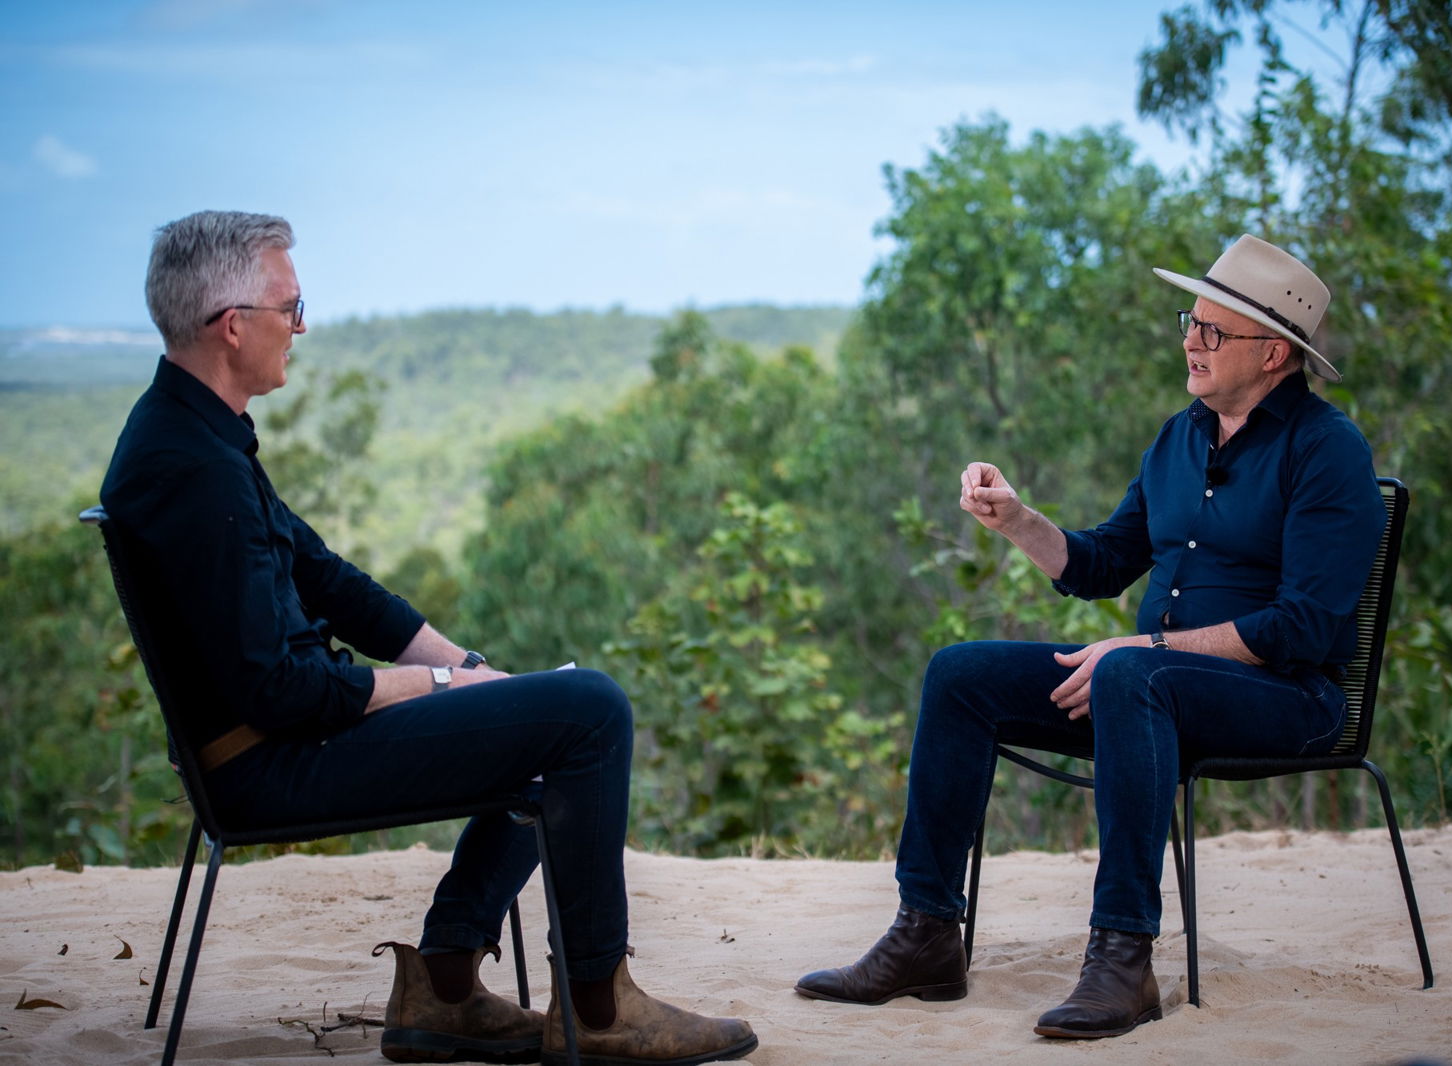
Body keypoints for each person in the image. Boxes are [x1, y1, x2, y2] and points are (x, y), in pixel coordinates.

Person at [101, 211, 757, 1066]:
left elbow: (329, 581)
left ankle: (445, 988)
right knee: (591, 709)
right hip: (270, 763)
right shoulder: (192, 469)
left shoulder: (196, 437)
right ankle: (597, 1007)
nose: (301, 329)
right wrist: (446, 692)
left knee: (553, 707)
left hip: (280, 739)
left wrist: (476, 671)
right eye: (291, 309)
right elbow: (284, 692)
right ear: (234, 327)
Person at [794, 234, 1385, 1040]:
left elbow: (1304, 627)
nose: (1189, 340)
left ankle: (1122, 960)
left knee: (1126, 676)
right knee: (960, 675)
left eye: (1213, 330)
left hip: (1287, 697)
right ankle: (928, 932)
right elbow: (1105, 562)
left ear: (1275, 353)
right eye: (1191, 320)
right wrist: (1018, 520)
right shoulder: (1181, 436)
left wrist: (1146, 654)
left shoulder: (1327, 451)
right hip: (1146, 690)